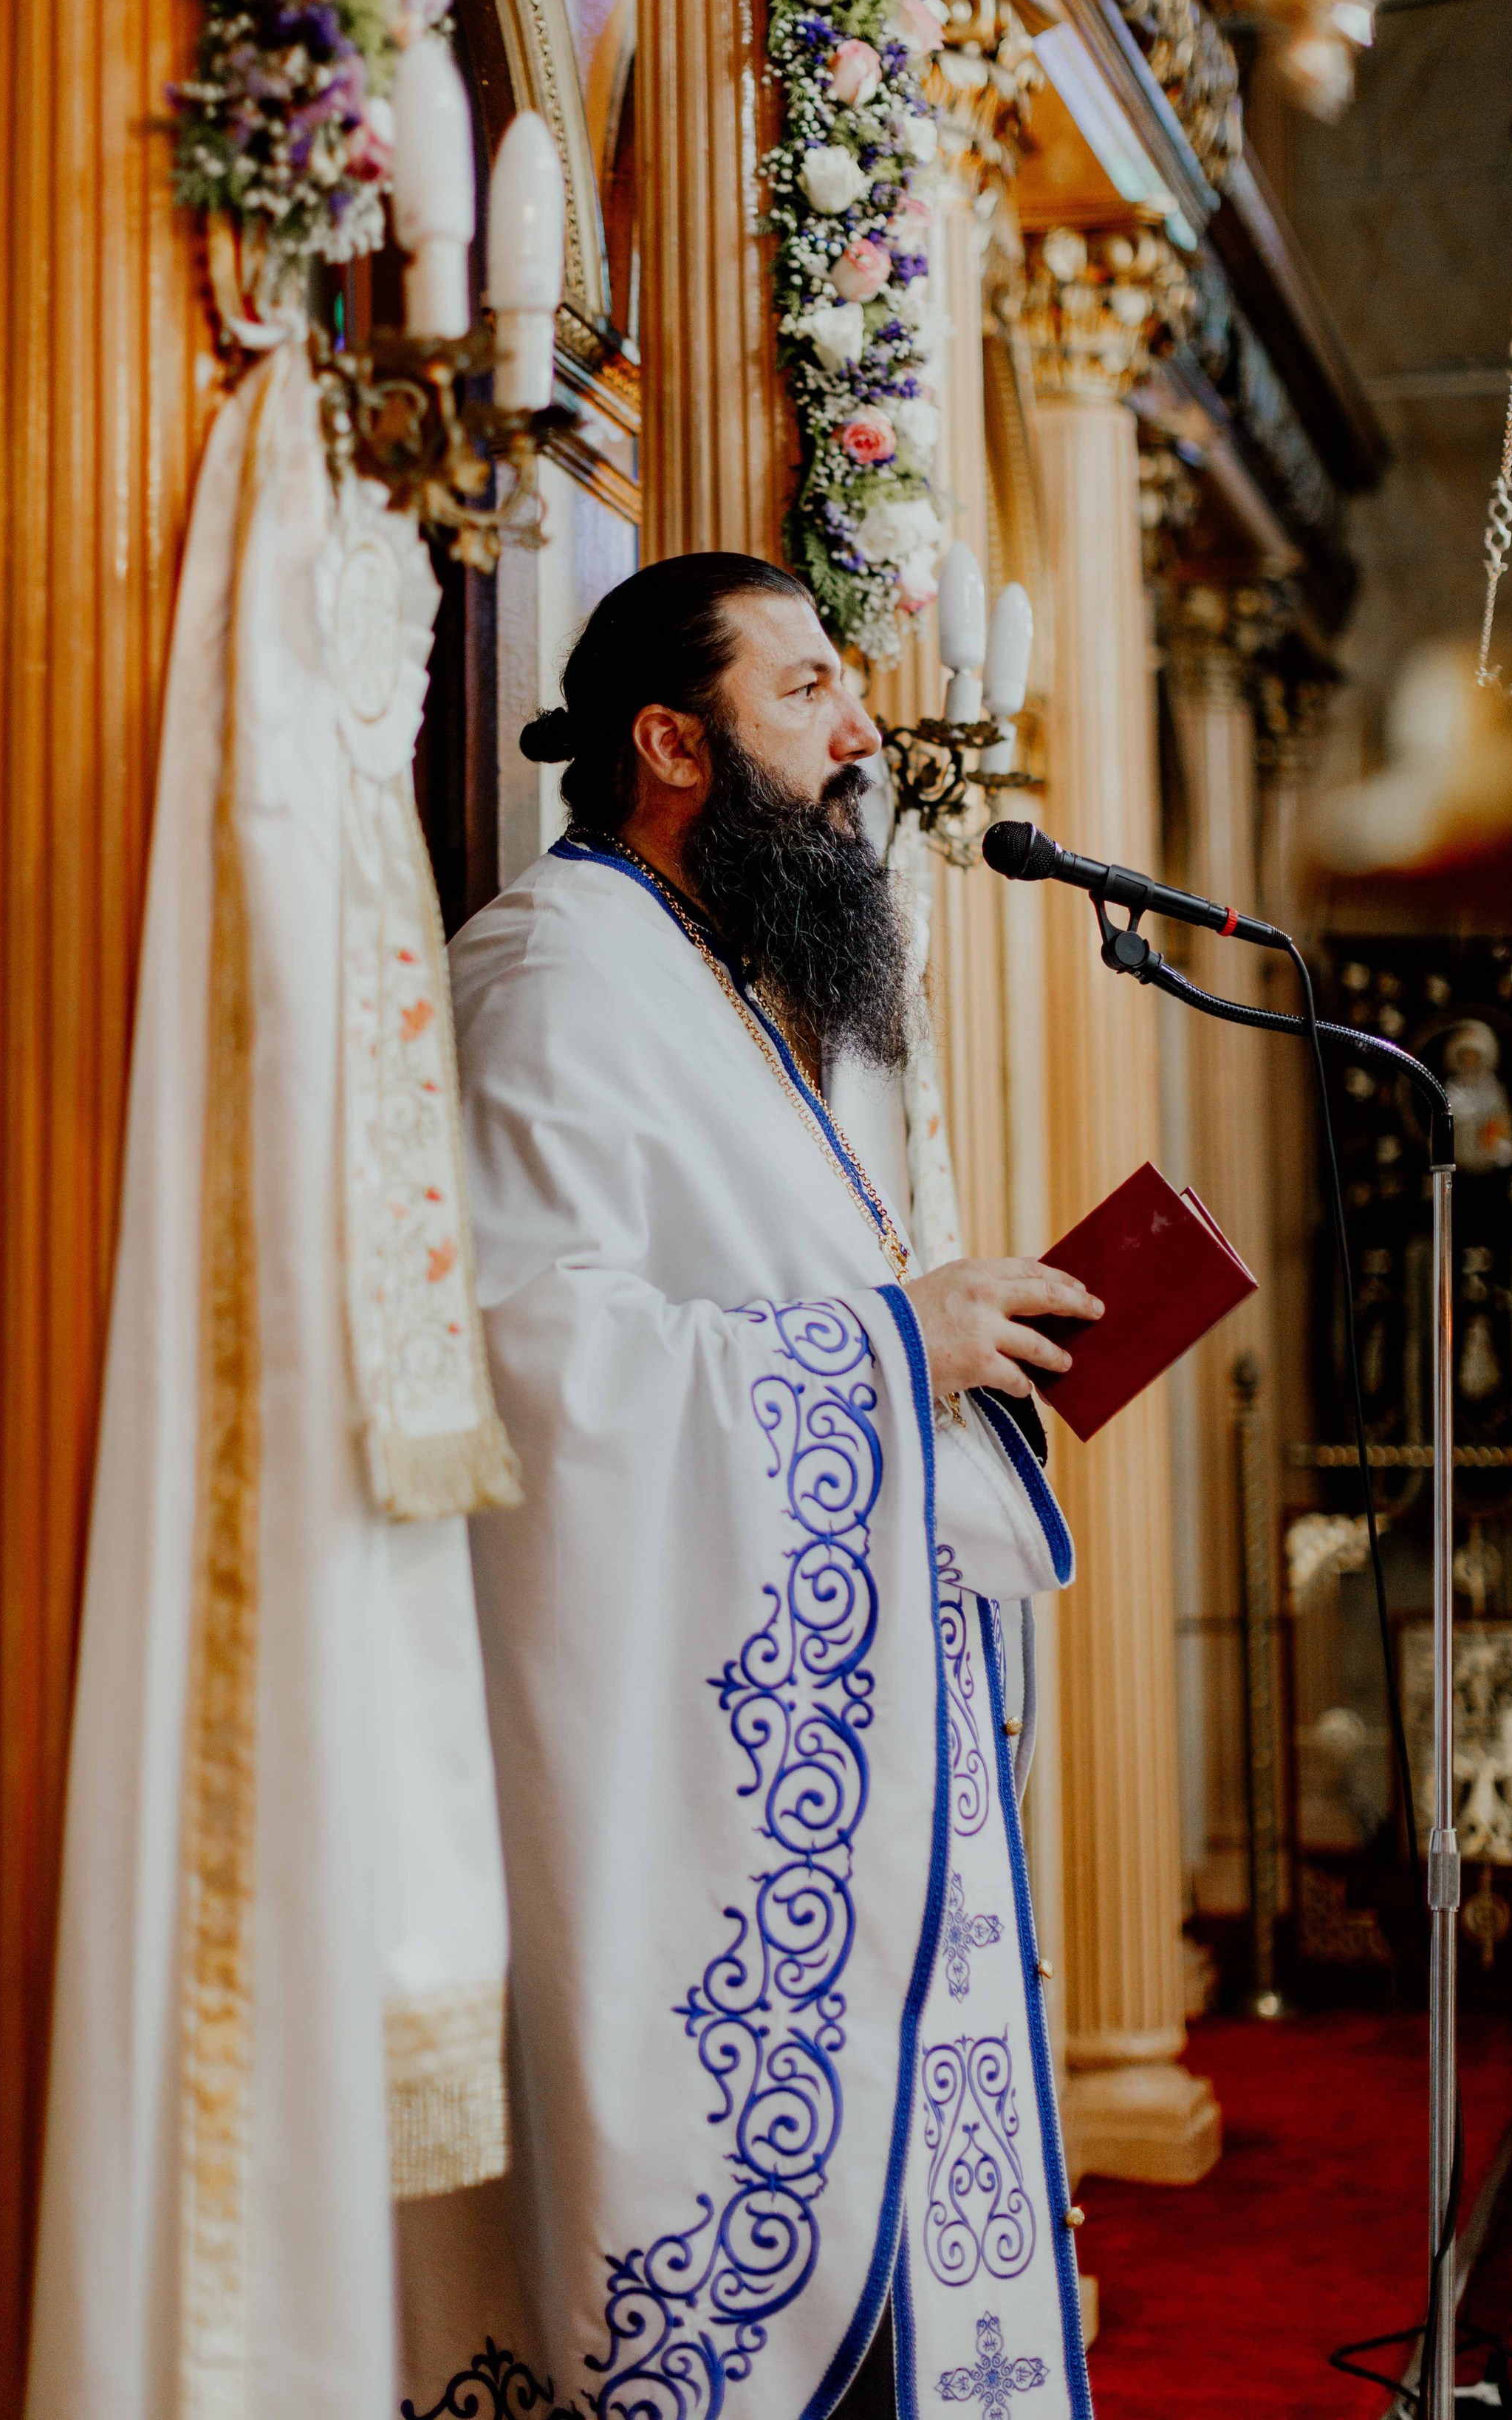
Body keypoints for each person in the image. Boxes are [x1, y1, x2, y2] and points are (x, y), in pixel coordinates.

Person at [435, 553, 1098, 2420]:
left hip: (860, 1690)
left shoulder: (719, 981)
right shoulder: (548, 971)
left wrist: (945, 1348)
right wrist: (893, 1352)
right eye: (805, 687)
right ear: (670, 742)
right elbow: (532, 1373)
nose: (859, 727)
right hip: (685, 1769)